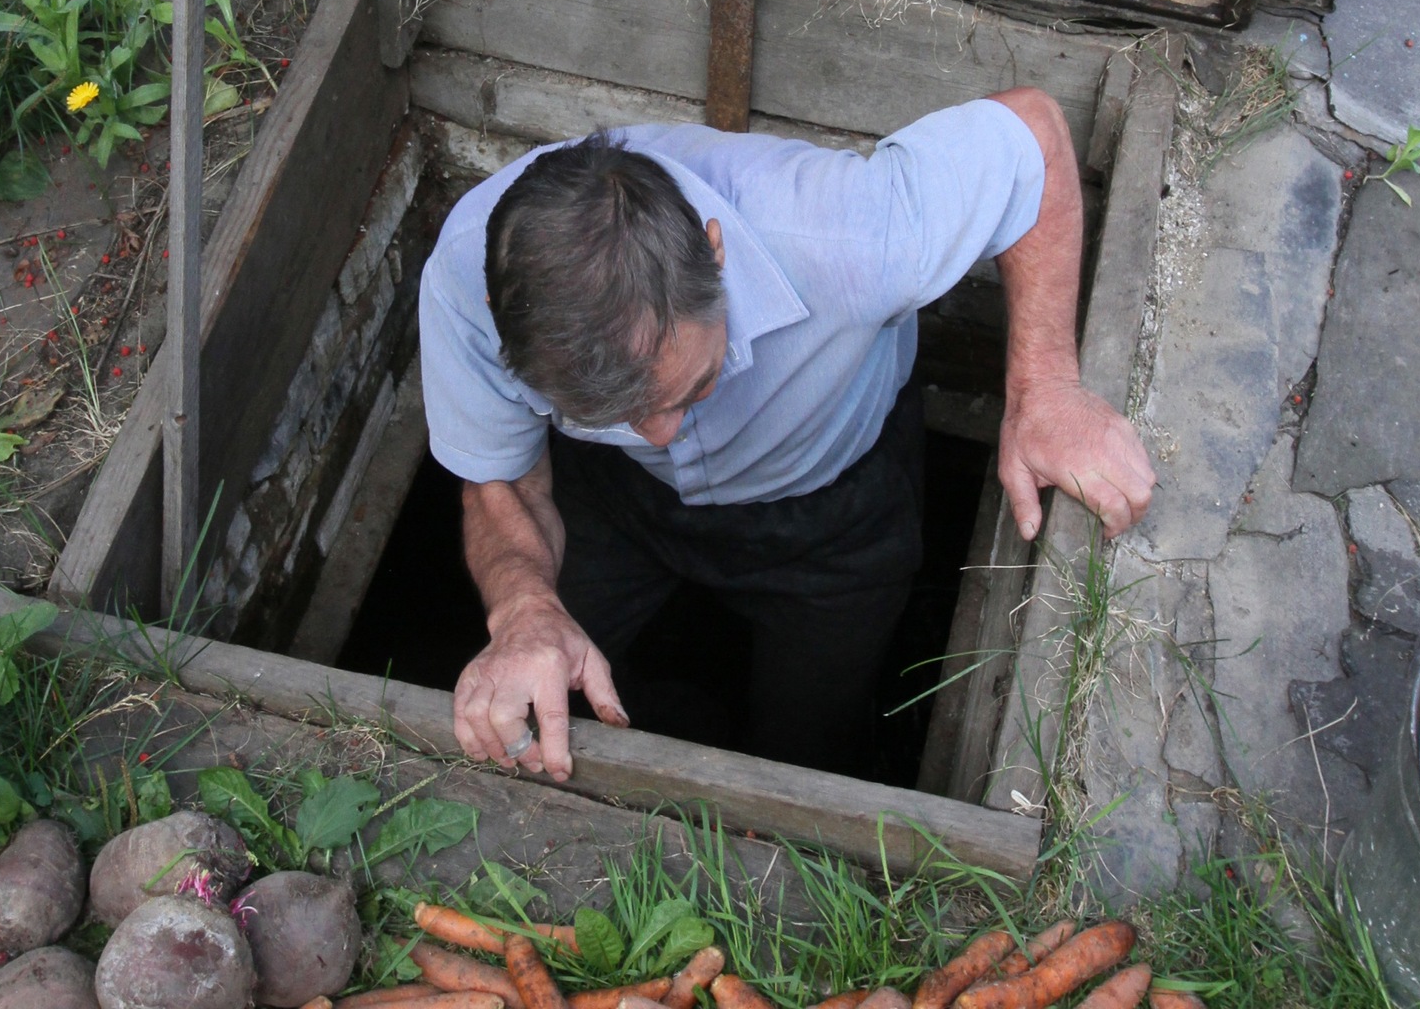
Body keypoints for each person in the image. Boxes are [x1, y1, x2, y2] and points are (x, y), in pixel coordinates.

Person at [417, 88, 1156, 782]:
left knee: (808, 753)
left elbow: (1032, 134)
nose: (660, 433)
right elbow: (505, 477)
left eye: (690, 387)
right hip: (618, 504)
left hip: (833, 515)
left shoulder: (852, 233)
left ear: (714, 251)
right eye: (610, 412)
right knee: (537, 694)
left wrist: (1047, 387)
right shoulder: (466, 281)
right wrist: (521, 609)